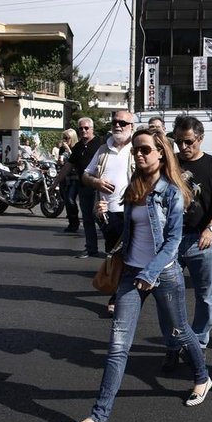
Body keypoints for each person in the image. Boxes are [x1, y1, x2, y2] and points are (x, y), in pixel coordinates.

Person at [62, 128, 211, 422]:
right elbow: (127, 232)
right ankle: (99, 416)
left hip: (164, 274)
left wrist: (150, 272)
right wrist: (105, 217)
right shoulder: (135, 185)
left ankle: (202, 377)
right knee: (117, 347)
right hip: (131, 273)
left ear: (161, 153)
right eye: (136, 150)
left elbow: (172, 242)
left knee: (180, 331)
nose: (139, 154)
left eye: (145, 149)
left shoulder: (172, 192)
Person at [168, 115, 212, 361]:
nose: (183, 147)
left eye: (188, 141)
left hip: (202, 240)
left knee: (205, 296)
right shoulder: (170, 163)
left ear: (200, 139)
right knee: (169, 296)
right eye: (178, 141)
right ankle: (174, 344)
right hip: (171, 240)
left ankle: (199, 342)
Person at [82, 111, 136, 313]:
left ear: (131, 126)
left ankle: (120, 296)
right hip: (107, 212)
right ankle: (122, 293)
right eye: (115, 122)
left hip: (132, 211)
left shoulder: (137, 148)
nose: (118, 126)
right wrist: (96, 182)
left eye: (123, 123)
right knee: (115, 255)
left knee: (127, 255)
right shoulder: (104, 149)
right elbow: (85, 175)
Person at [70, 117, 103, 252]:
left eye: (86, 128)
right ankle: (91, 248)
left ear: (92, 129)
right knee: (87, 219)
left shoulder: (101, 144)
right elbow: (68, 165)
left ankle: (112, 248)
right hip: (83, 187)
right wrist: (55, 183)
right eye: (81, 128)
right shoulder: (77, 147)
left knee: (101, 218)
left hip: (98, 188)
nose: (83, 130)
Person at [53, 129, 80, 232]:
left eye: (67, 138)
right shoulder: (62, 149)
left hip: (74, 177)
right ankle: (71, 222)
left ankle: (75, 221)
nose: (64, 140)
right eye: (63, 138)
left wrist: (68, 149)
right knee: (65, 199)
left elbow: (76, 160)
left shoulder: (76, 147)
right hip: (64, 177)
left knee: (70, 199)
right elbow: (60, 162)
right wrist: (59, 161)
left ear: (72, 138)